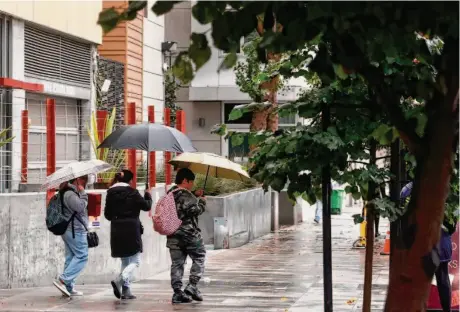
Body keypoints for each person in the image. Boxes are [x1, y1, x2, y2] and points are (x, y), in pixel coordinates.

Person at [400, 181, 457, 312]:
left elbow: (404, 215)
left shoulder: (410, 188)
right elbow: (452, 224)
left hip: (421, 242)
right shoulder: (448, 190)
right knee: (443, 278)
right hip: (441, 241)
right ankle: (446, 310)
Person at [104, 169, 152, 300]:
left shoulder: (110, 193)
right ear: (130, 180)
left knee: (125, 260)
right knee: (135, 261)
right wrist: (148, 194)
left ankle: (126, 290)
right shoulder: (133, 192)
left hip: (116, 228)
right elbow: (147, 206)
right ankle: (121, 279)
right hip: (131, 228)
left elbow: (107, 215)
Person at [167, 168, 206, 304]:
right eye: (191, 182)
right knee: (200, 256)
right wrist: (201, 202)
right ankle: (192, 286)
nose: (192, 185)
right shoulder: (186, 196)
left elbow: (180, 205)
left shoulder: (170, 193)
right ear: (185, 180)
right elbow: (194, 211)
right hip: (189, 234)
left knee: (177, 263)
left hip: (173, 235)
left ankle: (177, 293)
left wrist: (194, 194)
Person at [53, 175, 89, 297]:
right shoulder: (70, 194)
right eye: (85, 180)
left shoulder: (68, 192)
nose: (85, 184)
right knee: (82, 255)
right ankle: (64, 279)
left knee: (71, 257)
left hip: (69, 229)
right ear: (79, 180)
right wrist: (83, 193)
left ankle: (68, 287)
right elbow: (80, 207)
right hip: (74, 230)